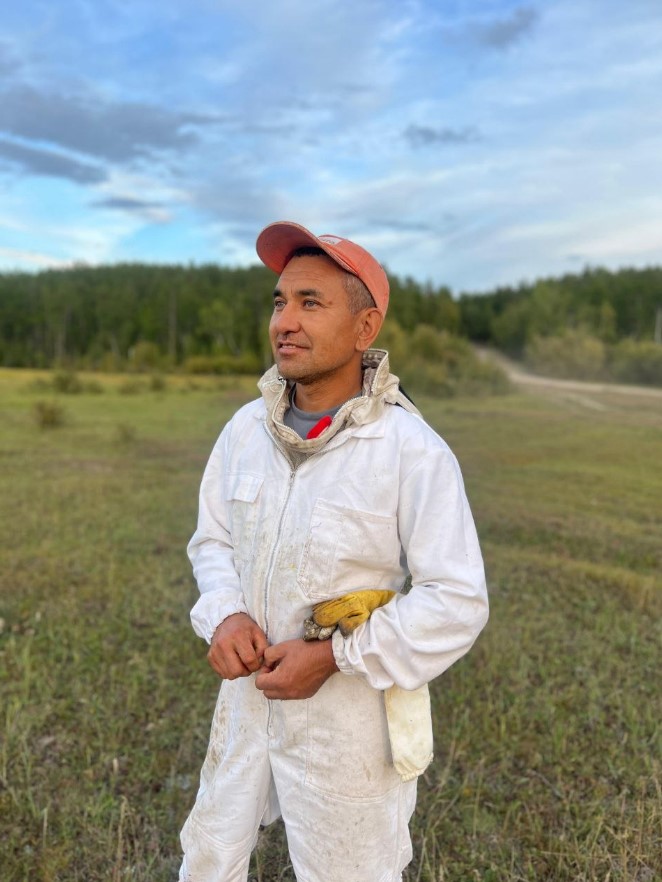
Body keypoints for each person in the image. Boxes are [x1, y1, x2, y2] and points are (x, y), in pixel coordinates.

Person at [179, 221, 489, 882]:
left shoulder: (410, 450)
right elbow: (213, 541)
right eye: (279, 302)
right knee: (209, 857)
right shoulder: (245, 429)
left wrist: (333, 658)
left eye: (311, 303)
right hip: (247, 701)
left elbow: (457, 601)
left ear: (364, 327)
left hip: (349, 722)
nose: (284, 322)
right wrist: (225, 615)